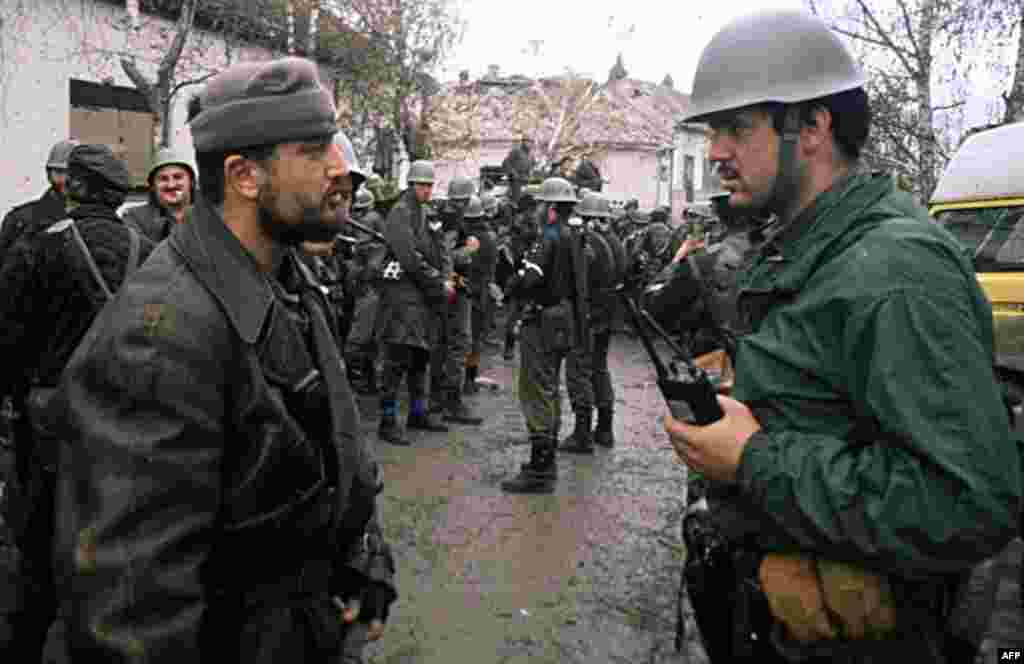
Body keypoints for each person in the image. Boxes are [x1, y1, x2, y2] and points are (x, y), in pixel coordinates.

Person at [666, 9, 1020, 662]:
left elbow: (970, 501)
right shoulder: (806, 252)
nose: (716, 152)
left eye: (736, 128)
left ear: (813, 126)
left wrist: (753, 458)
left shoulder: (896, 270)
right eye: (714, 131)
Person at [46, 57, 397, 662]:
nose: (341, 170)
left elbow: (334, 447)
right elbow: (129, 622)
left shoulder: (287, 277)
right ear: (243, 176)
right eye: (315, 151)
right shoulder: (158, 337)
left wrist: (365, 561)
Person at [0, 143, 153, 663]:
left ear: (77, 187)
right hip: (123, 417)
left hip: (49, 416)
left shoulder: (39, 246)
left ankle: (26, 644)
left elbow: (8, 335)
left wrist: (15, 400)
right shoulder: (148, 250)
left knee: (40, 536)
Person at [501, 177, 589, 493]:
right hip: (565, 321)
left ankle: (540, 470)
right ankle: (545, 462)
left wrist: (510, 287)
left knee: (536, 390)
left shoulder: (548, 237)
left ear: (550, 208)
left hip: (542, 320)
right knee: (551, 388)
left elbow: (530, 278)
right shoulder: (574, 236)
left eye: (542, 204)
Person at [377, 160, 452, 444]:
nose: (427, 190)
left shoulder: (427, 212)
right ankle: (387, 420)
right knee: (397, 359)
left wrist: (444, 278)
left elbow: (442, 250)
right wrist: (437, 281)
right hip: (403, 295)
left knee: (421, 358)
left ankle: (418, 413)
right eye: (422, 185)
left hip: (425, 295)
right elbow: (409, 258)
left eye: (430, 185)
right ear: (411, 184)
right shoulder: (401, 212)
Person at [560, 193, 627, 452]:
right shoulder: (615, 242)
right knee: (599, 369)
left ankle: (582, 432)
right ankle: (605, 428)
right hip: (606, 316)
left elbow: (579, 281)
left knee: (579, 372)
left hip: (587, 316)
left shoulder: (589, 242)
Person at [431, 176, 483, 424]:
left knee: (443, 344)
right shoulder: (452, 220)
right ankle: (452, 401)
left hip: (446, 290)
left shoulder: (439, 214)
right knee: (459, 343)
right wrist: (469, 251)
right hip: (455, 289)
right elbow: (447, 256)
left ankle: (438, 398)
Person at [0, 139, 78, 266]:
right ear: (49, 174)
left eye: (72, 173)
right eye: (59, 172)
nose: (65, 180)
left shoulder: (95, 222)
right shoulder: (19, 220)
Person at [345, 186, 386, 395]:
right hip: (367, 287)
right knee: (363, 338)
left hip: (370, 287)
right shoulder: (367, 224)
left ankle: (363, 380)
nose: (360, 217)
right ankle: (359, 380)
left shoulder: (371, 223)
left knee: (365, 339)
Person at [460, 195, 498, 395]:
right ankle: (470, 378)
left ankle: (466, 379)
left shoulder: (472, 239)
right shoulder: (490, 237)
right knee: (475, 339)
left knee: (466, 338)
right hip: (482, 293)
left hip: (470, 292)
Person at [121, 147, 196, 243]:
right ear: (152, 186)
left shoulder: (209, 215)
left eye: (178, 177)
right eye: (163, 179)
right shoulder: (135, 218)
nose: (171, 185)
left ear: (191, 182)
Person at [502, 136, 533, 206]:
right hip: (515, 177)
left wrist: (531, 174)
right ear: (523, 142)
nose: (529, 144)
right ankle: (515, 204)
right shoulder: (516, 151)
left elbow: (531, 167)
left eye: (530, 142)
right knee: (517, 195)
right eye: (527, 141)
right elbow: (506, 162)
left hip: (525, 177)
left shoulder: (530, 155)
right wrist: (513, 173)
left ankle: (529, 205)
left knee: (535, 186)